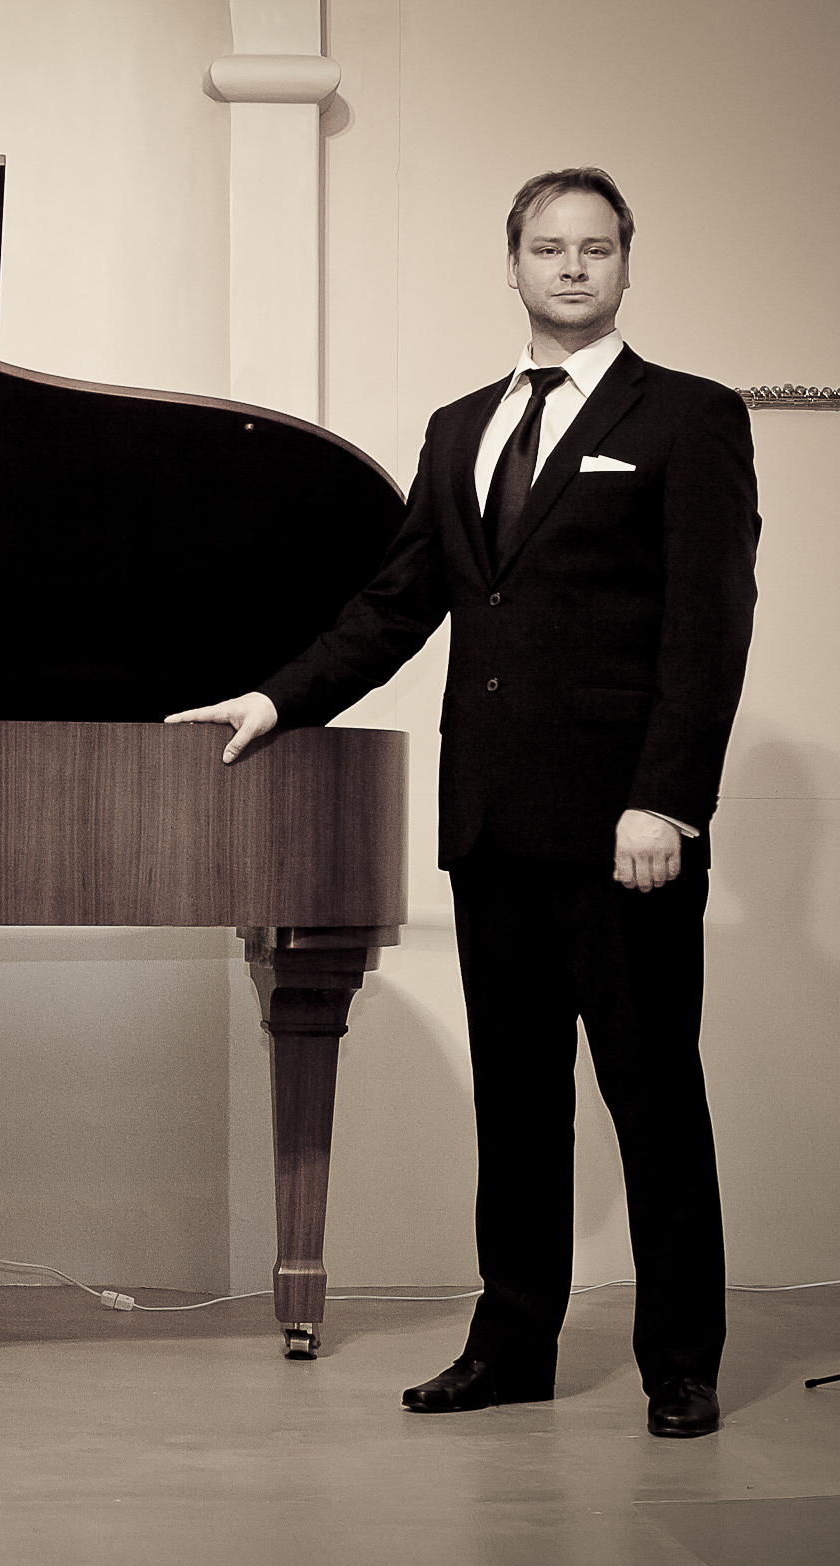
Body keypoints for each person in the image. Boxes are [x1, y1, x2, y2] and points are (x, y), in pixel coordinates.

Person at [170, 169, 758, 1439]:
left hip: (625, 835)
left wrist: (665, 802)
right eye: (549, 248)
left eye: (595, 248)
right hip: (490, 825)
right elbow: (396, 607)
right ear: (513, 264)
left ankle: (681, 1363)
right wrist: (275, 699)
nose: (572, 268)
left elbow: (711, 627)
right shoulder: (459, 428)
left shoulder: (688, 417)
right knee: (519, 1106)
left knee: (655, 1099)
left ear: (625, 264)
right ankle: (513, 1346)